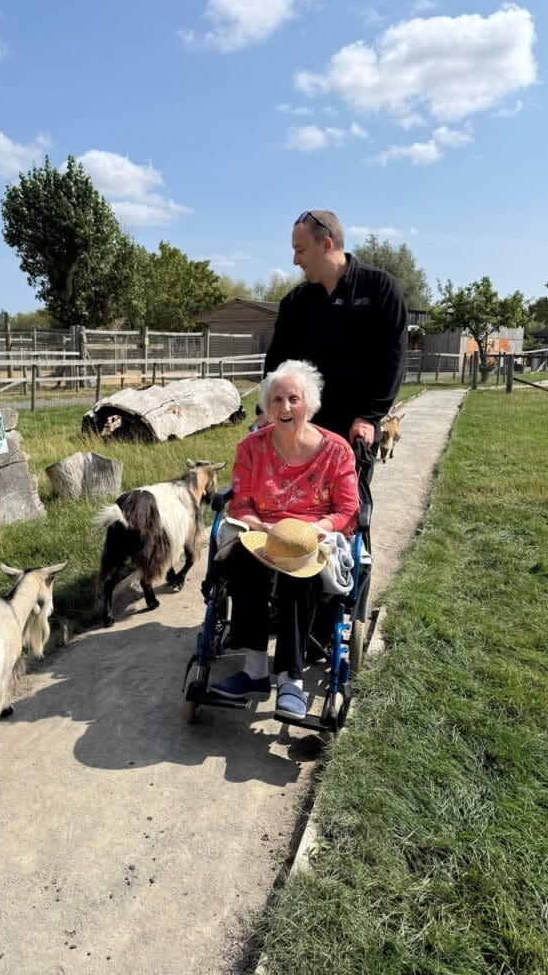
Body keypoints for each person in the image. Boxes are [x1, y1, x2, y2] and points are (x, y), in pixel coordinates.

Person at [208, 359, 359, 721]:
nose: (285, 407)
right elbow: (241, 503)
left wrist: (316, 529)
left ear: (310, 403)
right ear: (266, 406)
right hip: (261, 530)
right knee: (245, 563)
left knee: (298, 571)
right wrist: (262, 529)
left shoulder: (336, 451)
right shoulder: (250, 448)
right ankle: (256, 670)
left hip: (314, 533)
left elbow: (349, 510)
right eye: (276, 400)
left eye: (294, 398)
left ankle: (291, 679)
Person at [260, 210, 408, 528]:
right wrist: (267, 408)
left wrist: (370, 416)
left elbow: (392, 360)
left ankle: (351, 576)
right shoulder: (296, 303)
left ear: (326, 244)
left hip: (356, 429)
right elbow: (277, 364)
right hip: (302, 429)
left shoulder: (380, 290)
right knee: (296, 517)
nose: (296, 260)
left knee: (348, 522)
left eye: (300, 250)